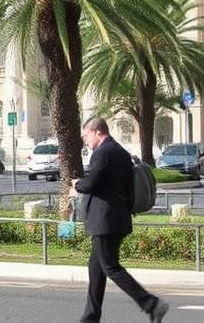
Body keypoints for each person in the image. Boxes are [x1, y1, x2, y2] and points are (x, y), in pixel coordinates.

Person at [72, 116, 168, 323]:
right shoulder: (119, 151)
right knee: (96, 269)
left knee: (111, 267)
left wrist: (77, 184)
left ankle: (151, 304)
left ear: (97, 131)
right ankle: (90, 317)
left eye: (86, 135)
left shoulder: (103, 153)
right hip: (114, 219)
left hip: (106, 221)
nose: (85, 140)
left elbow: (91, 184)